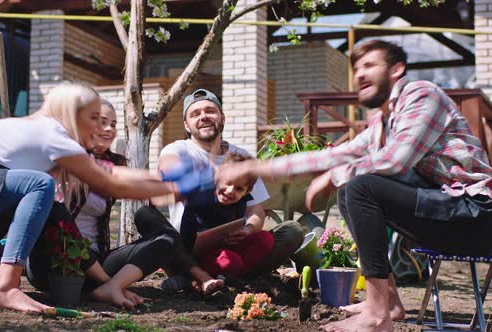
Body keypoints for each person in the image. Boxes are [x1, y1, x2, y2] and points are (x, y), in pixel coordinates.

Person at [216, 40, 492, 332]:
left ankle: (376, 316)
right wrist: (253, 166)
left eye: (370, 65)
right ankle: (388, 303)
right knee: (350, 190)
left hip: (477, 214)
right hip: (448, 214)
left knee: (359, 186)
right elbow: (330, 156)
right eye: (356, 68)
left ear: (396, 70)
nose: (359, 74)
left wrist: (333, 176)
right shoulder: (381, 125)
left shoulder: (422, 95)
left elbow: (394, 160)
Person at [0, 83, 211, 313]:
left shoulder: (49, 139)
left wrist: (179, 181)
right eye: (93, 118)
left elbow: (115, 174)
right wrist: (180, 185)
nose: (100, 127)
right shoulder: (52, 134)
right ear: (72, 115)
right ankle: (8, 287)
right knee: (39, 185)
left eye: (107, 122)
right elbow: (112, 184)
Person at [134, 88, 304, 294]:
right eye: (195, 114)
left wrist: (247, 230)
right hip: (185, 248)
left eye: (210, 111)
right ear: (187, 125)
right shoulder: (177, 150)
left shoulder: (242, 157)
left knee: (291, 232)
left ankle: (210, 279)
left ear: (222, 118)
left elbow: (256, 212)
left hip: (231, 247)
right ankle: (201, 274)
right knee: (145, 216)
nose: (204, 116)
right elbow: (170, 171)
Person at [26, 98, 182, 310]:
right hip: (53, 263)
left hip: (97, 265)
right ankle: (109, 286)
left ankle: (109, 287)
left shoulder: (115, 163)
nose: (109, 129)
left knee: (168, 239)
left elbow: (139, 189)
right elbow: (61, 229)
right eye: (101, 122)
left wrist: (167, 190)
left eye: (114, 124)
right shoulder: (60, 160)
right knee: (61, 223)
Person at [180, 152, 275, 279]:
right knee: (231, 261)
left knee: (265, 238)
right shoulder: (202, 198)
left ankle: (236, 275)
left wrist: (245, 231)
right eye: (227, 183)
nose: (230, 191)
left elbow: (247, 225)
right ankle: (217, 275)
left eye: (239, 189)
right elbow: (190, 240)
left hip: (229, 249)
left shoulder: (242, 201)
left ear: (248, 191)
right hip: (201, 256)